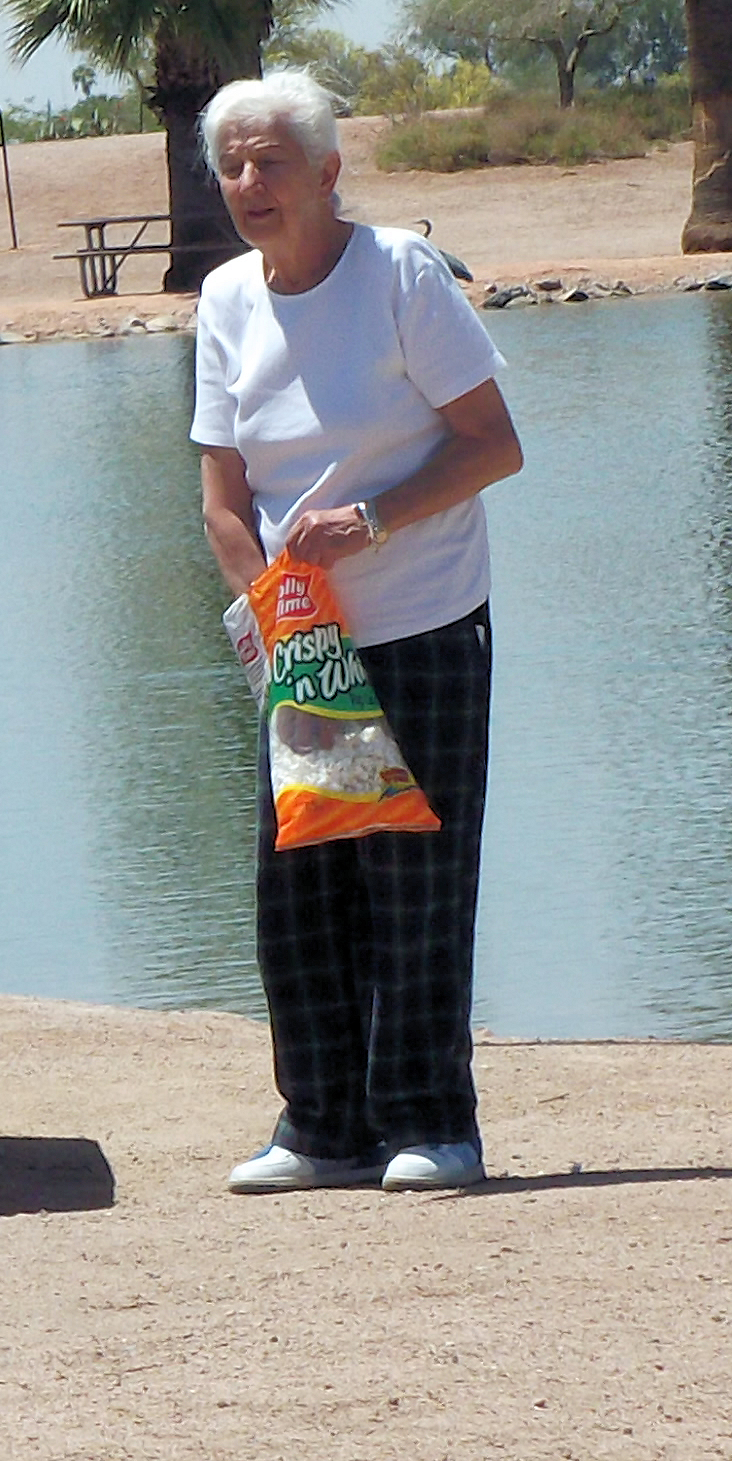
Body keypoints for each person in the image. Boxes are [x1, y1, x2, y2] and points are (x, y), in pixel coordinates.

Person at [188, 70, 523, 1193]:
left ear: (328, 173)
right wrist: (281, 617)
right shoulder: (227, 299)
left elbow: (490, 445)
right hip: (303, 643)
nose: (248, 184)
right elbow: (223, 499)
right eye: (231, 164)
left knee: (415, 879)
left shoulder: (399, 277)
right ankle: (320, 1127)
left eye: (269, 162)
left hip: (424, 619)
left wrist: (372, 519)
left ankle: (434, 1125)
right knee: (304, 884)